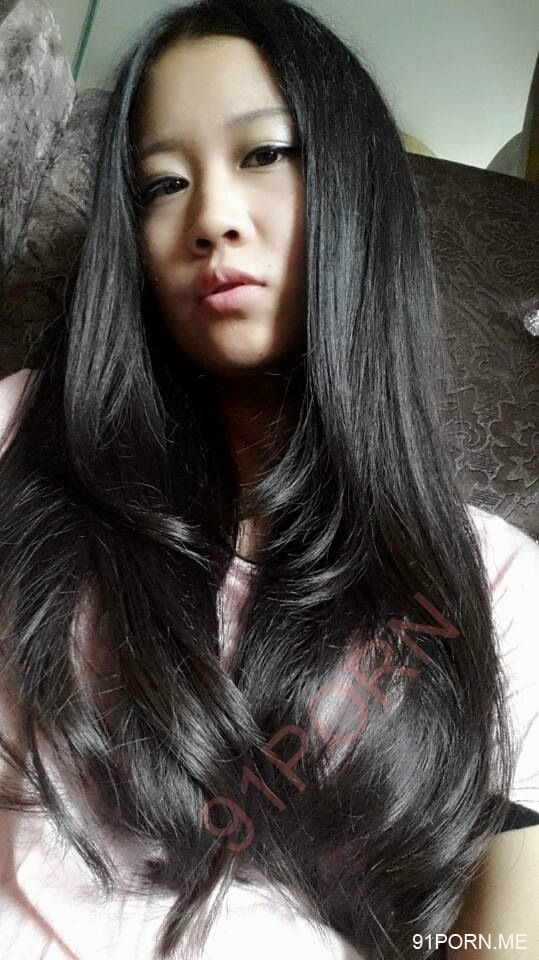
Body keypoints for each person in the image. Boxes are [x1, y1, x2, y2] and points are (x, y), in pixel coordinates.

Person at [0, 1, 537, 958]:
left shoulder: (492, 586)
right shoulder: (21, 436)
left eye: (263, 154)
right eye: (162, 183)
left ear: (356, 195)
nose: (211, 218)